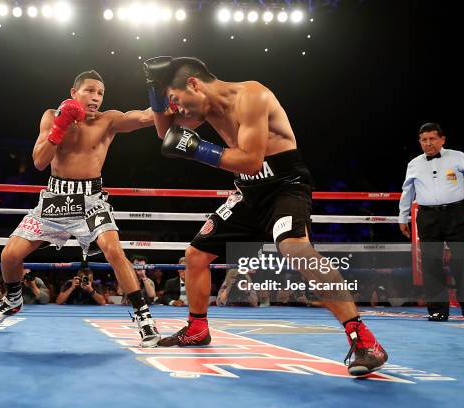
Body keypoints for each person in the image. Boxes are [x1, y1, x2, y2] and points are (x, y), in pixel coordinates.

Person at [143, 56, 387, 375]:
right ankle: (197, 328)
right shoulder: (203, 106)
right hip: (248, 191)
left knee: (295, 250)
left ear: (194, 84)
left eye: (176, 100)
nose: (179, 110)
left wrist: (198, 149)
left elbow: (251, 161)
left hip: (285, 185)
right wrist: (155, 92)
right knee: (195, 255)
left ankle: (363, 340)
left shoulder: (252, 96)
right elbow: (167, 134)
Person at [0, 70, 161, 346]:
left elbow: (146, 117)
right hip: (55, 199)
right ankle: (13, 297)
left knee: (114, 249)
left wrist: (163, 95)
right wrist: (60, 126)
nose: (96, 97)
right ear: (73, 93)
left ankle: (143, 316)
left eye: (100, 93)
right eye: (90, 90)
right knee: (9, 255)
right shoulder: (52, 115)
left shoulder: (108, 120)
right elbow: (39, 162)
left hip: (91, 200)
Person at [399, 122, 464, 321]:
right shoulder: (414, 163)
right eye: (424, 140)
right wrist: (403, 217)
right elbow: (407, 191)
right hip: (427, 217)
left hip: (456, 214)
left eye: (432, 139)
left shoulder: (458, 157)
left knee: (463, 262)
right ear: (419, 142)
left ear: (442, 139)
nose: (428, 143)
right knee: (430, 263)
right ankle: (437, 310)